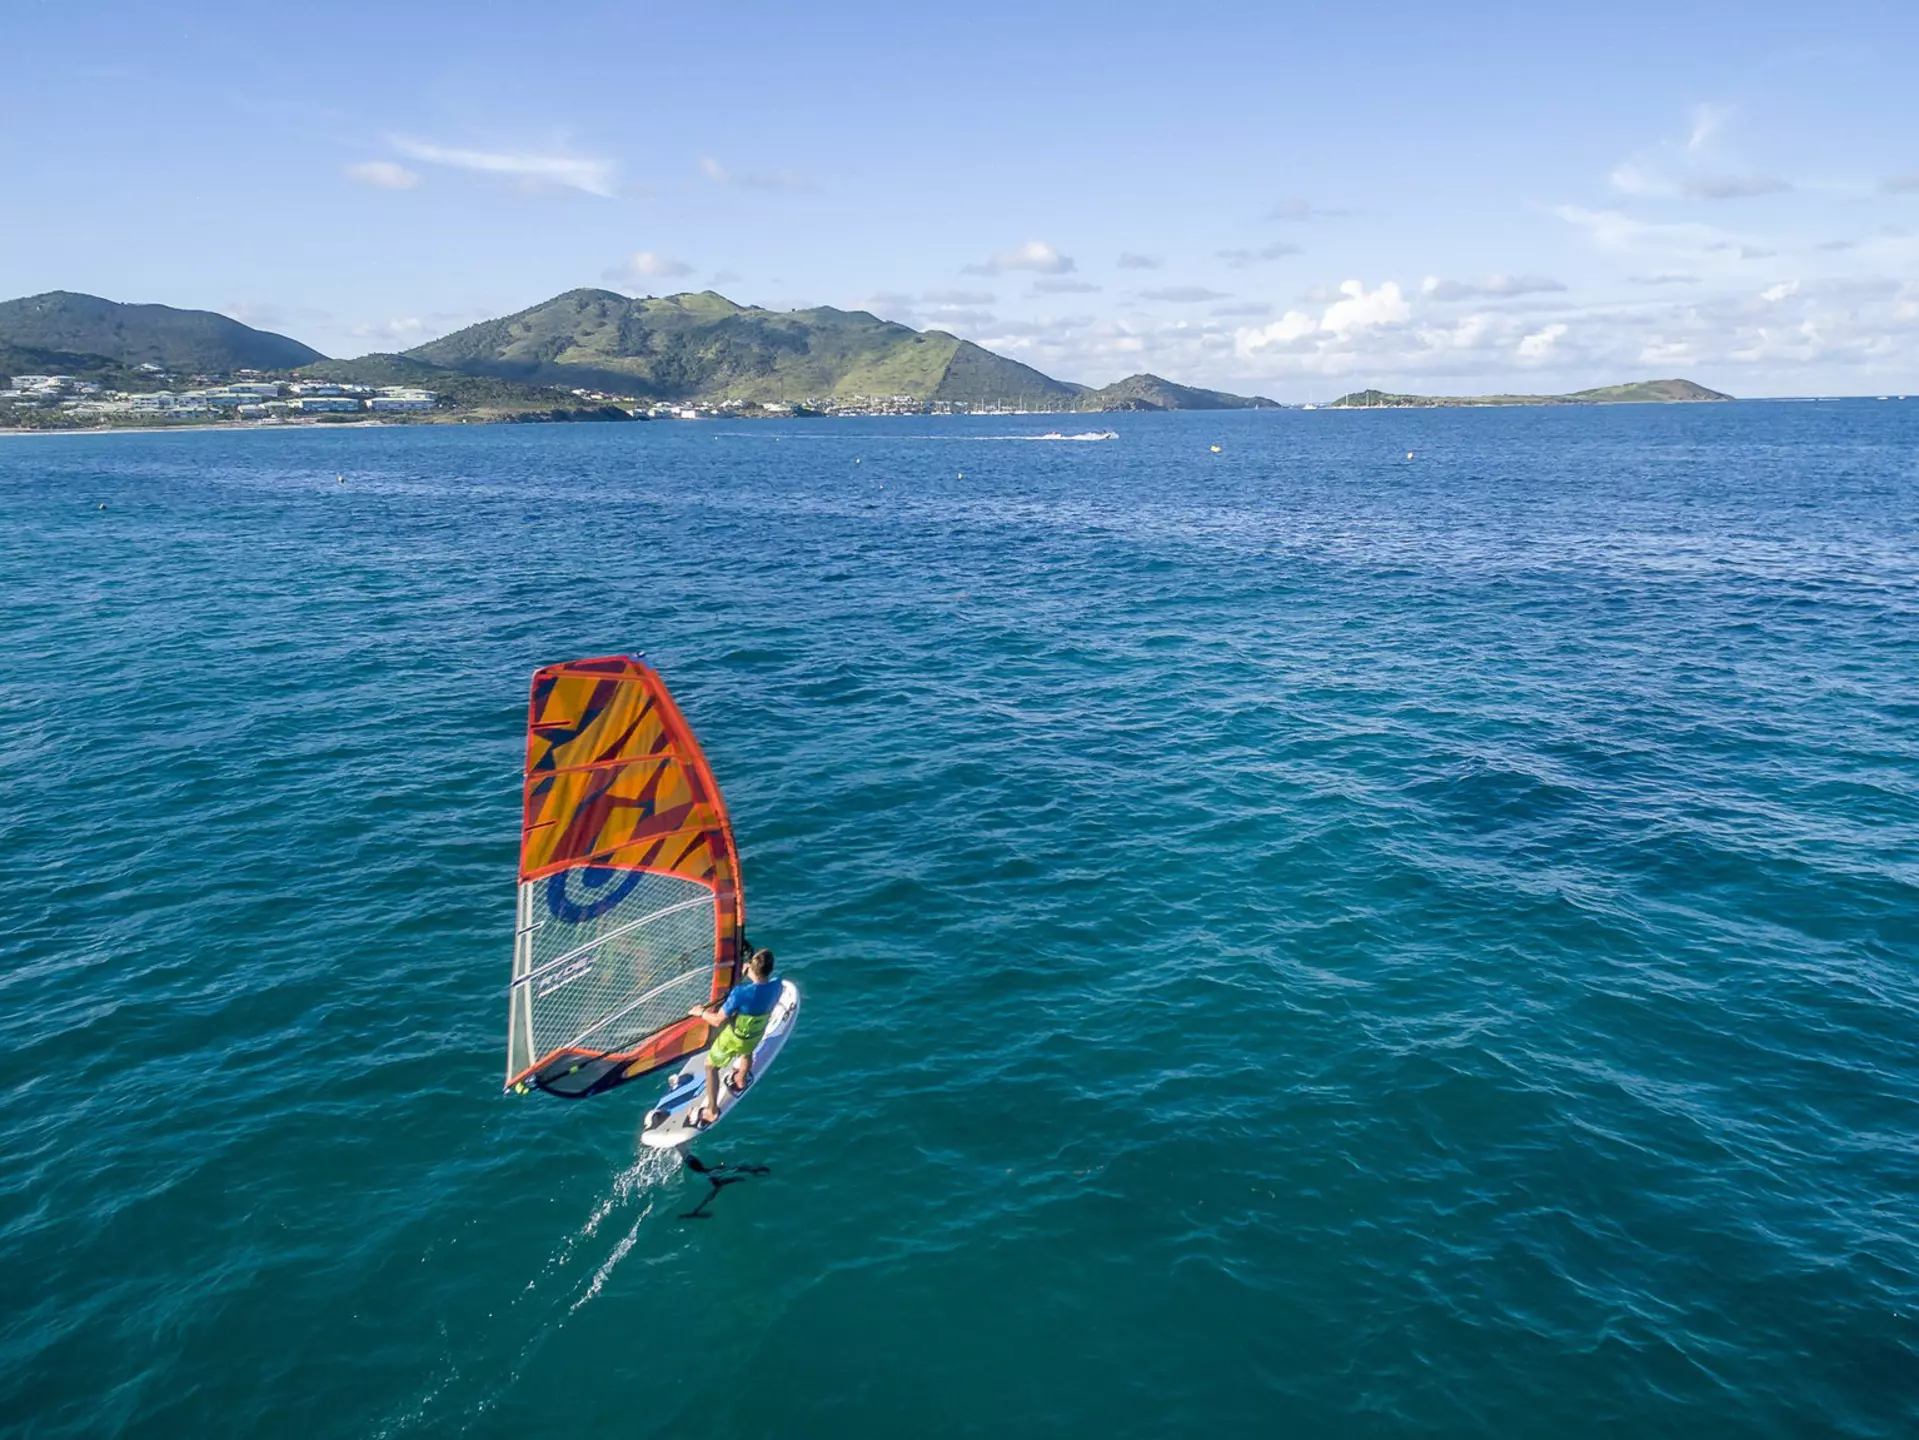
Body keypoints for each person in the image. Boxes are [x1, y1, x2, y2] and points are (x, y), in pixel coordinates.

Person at [688, 948, 780, 1126]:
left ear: (751, 968)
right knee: (746, 1053)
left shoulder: (740, 993)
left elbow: (716, 1020)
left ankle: (712, 1112)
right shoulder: (778, 985)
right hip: (755, 1034)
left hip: (734, 1037)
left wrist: (701, 1013)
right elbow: (760, 990)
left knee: (710, 1066)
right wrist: (752, 976)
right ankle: (740, 1079)